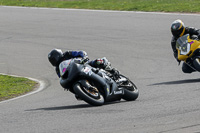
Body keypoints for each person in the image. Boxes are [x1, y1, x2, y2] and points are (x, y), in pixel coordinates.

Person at [48, 48, 119, 78]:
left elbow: (80, 53)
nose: (53, 61)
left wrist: (84, 57)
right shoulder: (58, 69)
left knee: (97, 62)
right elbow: (61, 77)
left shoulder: (67, 54)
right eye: (52, 61)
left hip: (83, 64)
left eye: (54, 59)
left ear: (58, 55)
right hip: (75, 75)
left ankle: (112, 70)